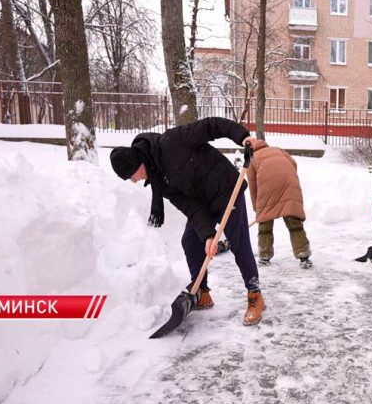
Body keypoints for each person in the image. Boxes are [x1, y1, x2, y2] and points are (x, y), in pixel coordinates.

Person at [109, 117, 267, 326]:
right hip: (204, 204)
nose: (134, 180)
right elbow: (190, 207)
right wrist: (208, 236)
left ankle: (254, 294)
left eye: (132, 175)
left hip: (226, 191)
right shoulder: (160, 182)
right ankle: (202, 292)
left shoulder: (172, 141)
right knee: (191, 240)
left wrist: (242, 136)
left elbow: (211, 126)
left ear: (138, 163)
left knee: (239, 243)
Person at [247, 140, 312, 269]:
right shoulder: (277, 149)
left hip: (267, 186)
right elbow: (293, 163)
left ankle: (264, 256)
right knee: (293, 220)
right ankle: (303, 255)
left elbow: (253, 186)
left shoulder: (252, 158)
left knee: (265, 221)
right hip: (289, 183)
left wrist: (258, 209)